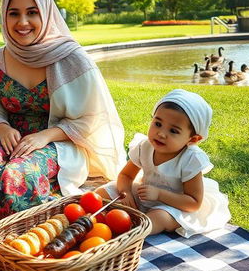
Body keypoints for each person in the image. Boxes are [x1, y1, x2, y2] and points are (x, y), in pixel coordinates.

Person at [0, 0, 125, 219]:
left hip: (60, 142)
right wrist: (1, 129)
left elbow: (92, 120)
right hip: (9, 137)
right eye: (14, 13)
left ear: (46, 13)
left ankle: (20, 227)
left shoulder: (72, 60)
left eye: (32, 12)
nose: (22, 22)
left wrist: (44, 136)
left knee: (17, 173)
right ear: (4, 16)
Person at [95, 89, 230, 236]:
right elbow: (126, 176)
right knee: (103, 192)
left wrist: (159, 194)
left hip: (175, 206)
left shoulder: (190, 159)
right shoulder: (144, 146)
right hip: (145, 194)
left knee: (158, 218)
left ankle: (130, 233)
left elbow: (193, 203)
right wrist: (126, 192)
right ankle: (91, 219)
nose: (161, 134)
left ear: (193, 139)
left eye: (173, 131)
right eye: (158, 124)